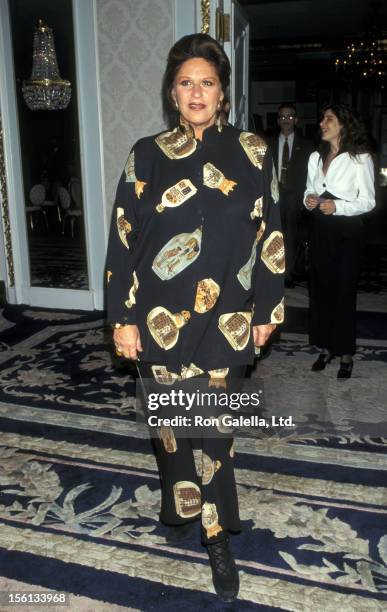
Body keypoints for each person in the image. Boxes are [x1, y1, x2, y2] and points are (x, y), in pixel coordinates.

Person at [105, 33, 284, 602]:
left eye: (207, 82)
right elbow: (123, 240)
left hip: (228, 314)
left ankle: (215, 533)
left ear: (224, 93)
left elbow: (272, 234)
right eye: (185, 82)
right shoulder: (147, 154)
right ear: (172, 93)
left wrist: (267, 307)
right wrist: (122, 318)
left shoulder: (253, 152)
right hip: (158, 313)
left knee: (214, 429)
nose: (196, 92)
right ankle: (181, 503)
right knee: (170, 428)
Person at [304, 104, 375, 378]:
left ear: (343, 125)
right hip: (320, 229)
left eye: (329, 119)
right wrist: (309, 201)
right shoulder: (315, 157)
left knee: (344, 292)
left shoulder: (360, 158)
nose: (322, 123)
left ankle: (345, 352)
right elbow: (309, 190)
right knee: (321, 291)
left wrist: (338, 207)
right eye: (322, 118)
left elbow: (368, 201)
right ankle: (327, 347)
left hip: (347, 233)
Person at [268, 103, 313, 286]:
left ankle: (289, 273)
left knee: (292, 235)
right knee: (274, 235)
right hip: (274, 195)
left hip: (295, 196)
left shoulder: (307, 145)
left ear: (296, 120)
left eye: (290, 116)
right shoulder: (268, 143)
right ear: (278, 120)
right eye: (282, 117)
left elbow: (310, 173)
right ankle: (274, 271)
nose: (286, 120)